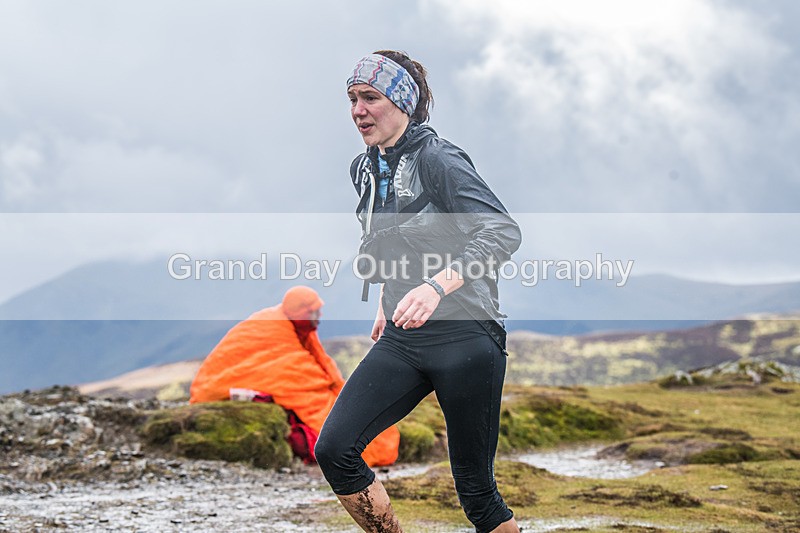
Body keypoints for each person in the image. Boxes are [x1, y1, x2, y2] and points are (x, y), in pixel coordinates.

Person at [314, 51, 522, 532]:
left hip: (467, 336)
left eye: (370, 98)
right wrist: (390, 295)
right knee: (334, 449)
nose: (357, 110)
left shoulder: (440, 159)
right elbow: (391, 237)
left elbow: (502, 233)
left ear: (403, 103)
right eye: (352, 99)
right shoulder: (363, 170)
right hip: (406, 337)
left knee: (475, 490)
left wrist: (434, 287)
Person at [190, 285, 400, 467]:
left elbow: (316, 361)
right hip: (217, 383)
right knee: (326, 407)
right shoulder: (274, 327)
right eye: (313, 313)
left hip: (248, 377)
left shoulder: (295, 324)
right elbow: (290, 371)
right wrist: (326, 385)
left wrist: (335, 385)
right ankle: (346, 447)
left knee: (339, 401)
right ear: (300, 312)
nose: (318, 318)